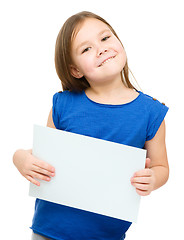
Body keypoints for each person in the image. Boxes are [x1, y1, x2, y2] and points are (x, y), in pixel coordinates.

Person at [13, 11, 169, 240]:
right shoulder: (63, 104)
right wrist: (19, 158)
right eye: (86, 49)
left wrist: (153, 179)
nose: (101, 48)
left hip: (106, 235)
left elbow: (161, 167)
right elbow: (42, 156)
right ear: (75, 70)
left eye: (105, 38)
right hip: (49, 231)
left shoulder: (151, 112)